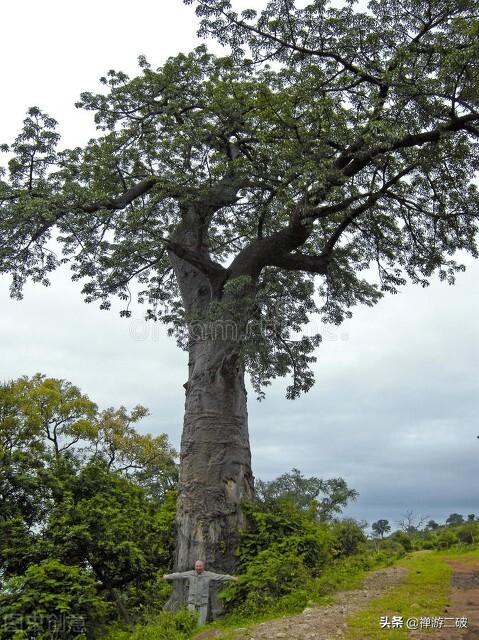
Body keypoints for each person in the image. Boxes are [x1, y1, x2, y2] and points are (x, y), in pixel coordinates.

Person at [163, 560, 238, 625]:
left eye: (200, 566)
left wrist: (232, 578)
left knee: (201, 624)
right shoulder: (190, 573)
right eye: (197, 566)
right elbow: (179, 575)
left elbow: (220, 577)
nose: (198, 567)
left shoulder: (208, 574)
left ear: (203, 566)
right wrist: (166, 576)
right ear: (195, 566)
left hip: (203, 603)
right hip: (192, 602)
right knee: (191, 622)